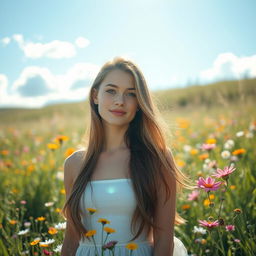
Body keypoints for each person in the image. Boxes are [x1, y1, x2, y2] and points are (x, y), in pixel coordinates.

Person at [61, 56, 190, 256]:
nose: (120, 101)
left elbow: (164, 242)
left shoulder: (157, 159)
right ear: (95, 96)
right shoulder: (74, 163)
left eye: (131, 94)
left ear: (139, 103)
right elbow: (71, 239)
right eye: (111, 91)